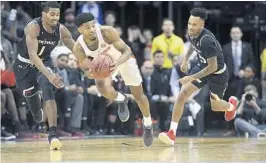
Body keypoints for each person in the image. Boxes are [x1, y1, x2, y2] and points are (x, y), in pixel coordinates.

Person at [158, 8, 238, 145]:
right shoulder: (192, 33)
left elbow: (212, 67)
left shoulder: (207, 40)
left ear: (202, 25)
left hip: (217, 74)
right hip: (202, 67)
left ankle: (231, 106)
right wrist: (185, 60)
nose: (190, 27)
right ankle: (172, 133)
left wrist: (190, 77)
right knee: (182, 94)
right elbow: (192, 46)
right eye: (189, 23)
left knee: (216, 106)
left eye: (194, 25)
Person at [72, 13, 153, 146]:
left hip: (124, 59)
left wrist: (118, 62)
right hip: (105, 64)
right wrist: (91, 73)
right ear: (80, 29)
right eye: (87, 28)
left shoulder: (107, 32)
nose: (92, 29)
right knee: (101, 87)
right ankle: (122, 99)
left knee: (139, 95)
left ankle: (148, 124)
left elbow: (127, 50)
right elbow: (86, 70)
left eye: (93, 25)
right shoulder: (78, 47)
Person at [13, 1, 75, 150]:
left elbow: (76, 48)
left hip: (45, 62)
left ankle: (52, 134)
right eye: (52, 14)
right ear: (44, 15)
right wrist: (49, 74)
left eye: (58, 14)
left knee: (48, 90)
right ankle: (37, 113)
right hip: (25, 65)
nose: (55, 17)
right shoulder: (33, 26)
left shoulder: (61, 30)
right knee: (36, 113)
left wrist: (89, 61)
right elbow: (33, 55)